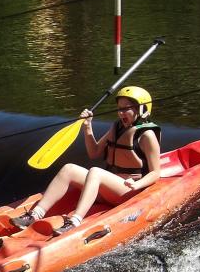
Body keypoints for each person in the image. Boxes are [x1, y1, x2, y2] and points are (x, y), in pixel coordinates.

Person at [10, 86, 161, 236]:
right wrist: (88, 128)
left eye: (125, 109)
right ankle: (35, 214)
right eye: (119, 109)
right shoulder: (118, 127)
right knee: (69, 169)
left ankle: (75, 221)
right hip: (108, 189)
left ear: (142, 110)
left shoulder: (147, 135)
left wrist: (137, 185)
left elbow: (156, 173)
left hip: (129, 192)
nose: (120, 113)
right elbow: (94, 152)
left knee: (95, 172)